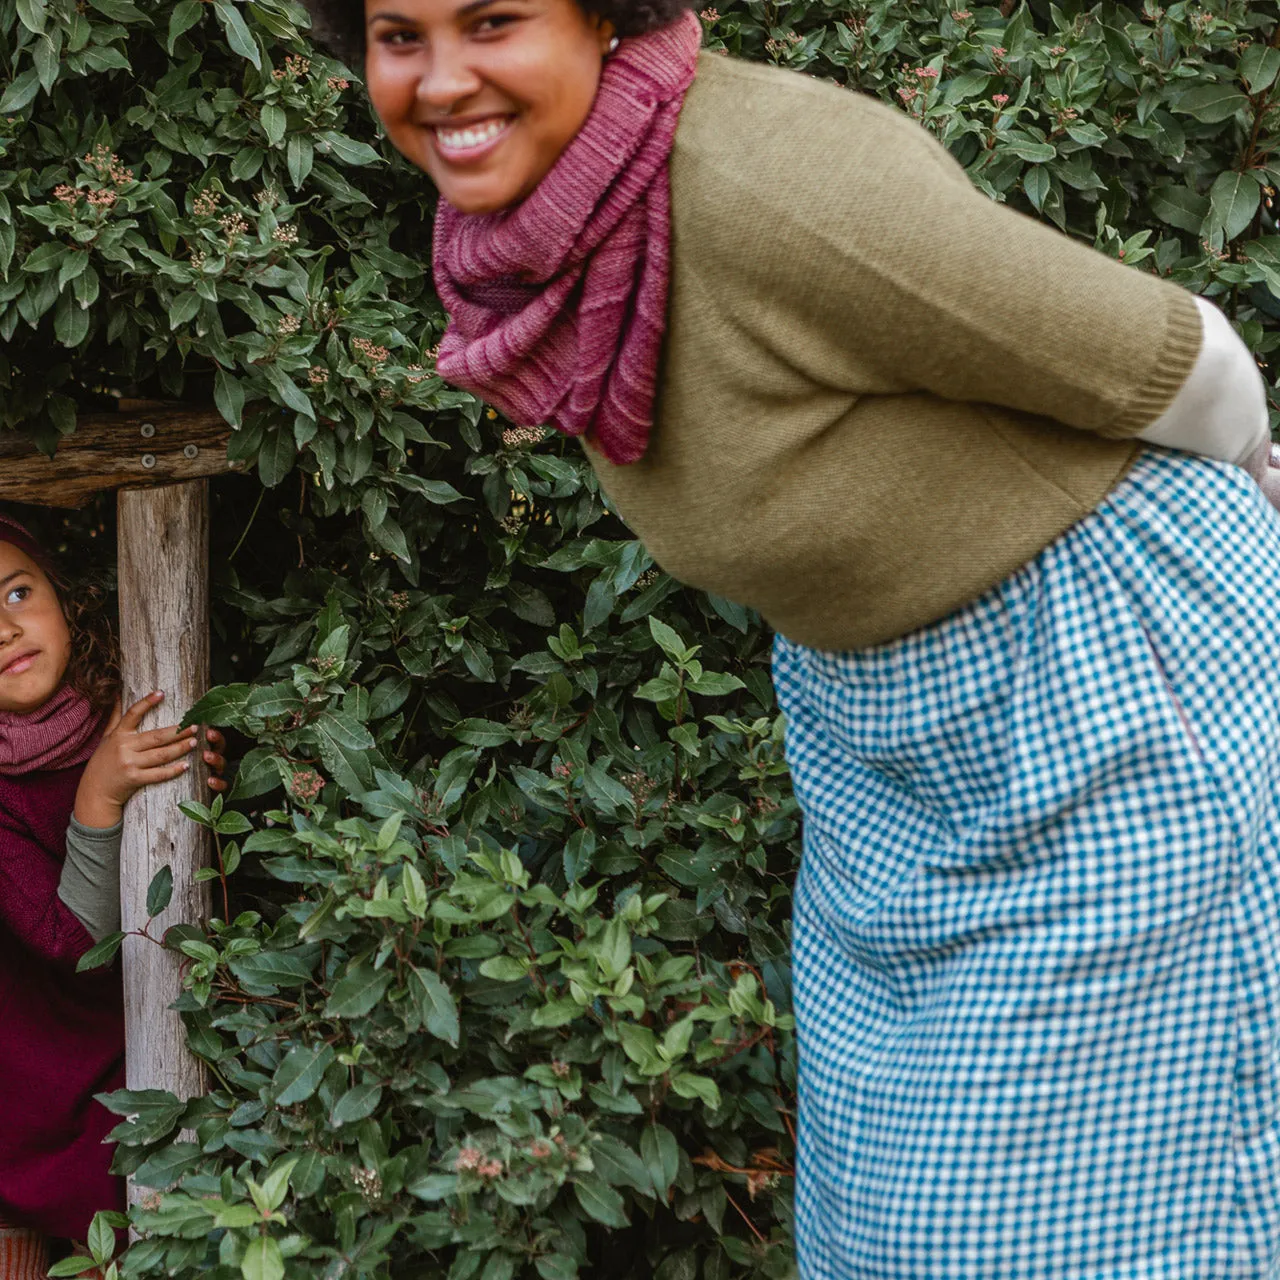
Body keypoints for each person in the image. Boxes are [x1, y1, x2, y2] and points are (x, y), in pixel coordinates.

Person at [309, 0, 1280, 1272]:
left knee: (1044, 1224)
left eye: (490, 20)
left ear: (604, 17)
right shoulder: (553, 225)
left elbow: (1167, 355)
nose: (440, 80)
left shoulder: (767, 176)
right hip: (884, 724)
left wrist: (1244, 497)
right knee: (883, 1214)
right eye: (400, 35)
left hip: (1103, 680)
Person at [0, 516, 226, 1268]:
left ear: (62, 598)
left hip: (166, 1021)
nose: (5, 629)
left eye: (17, 592)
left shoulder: (127, 695)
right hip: (47, 1069)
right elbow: (77, 947)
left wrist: (207, 779)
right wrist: (99, 797)